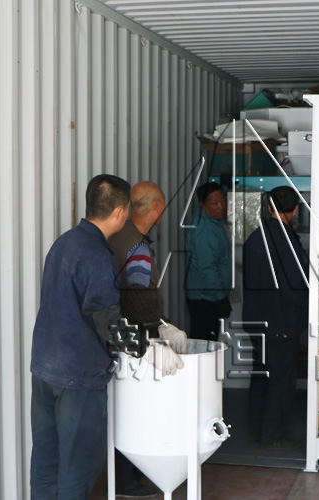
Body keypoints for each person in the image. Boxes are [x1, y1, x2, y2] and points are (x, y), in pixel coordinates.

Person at [30, 174, 183, 500]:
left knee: (46, 459)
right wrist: (148, 349)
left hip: (43, 370)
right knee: (78, 467)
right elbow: (107, 322)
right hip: (77, 376)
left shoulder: (63, 243)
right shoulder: (98, 256)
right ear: (120, 211)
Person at [107, 181, 188, 498]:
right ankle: (127, 481)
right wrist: (160, 328)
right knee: (139, 411)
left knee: (126, 409)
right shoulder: (136, 246)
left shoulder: (117, 237)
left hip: (121, 337)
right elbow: (139, 296)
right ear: (156, 207)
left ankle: (126, 477)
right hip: (138, 340)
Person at [242, 186, 308, 449]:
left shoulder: (254, 238)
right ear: (295, 210)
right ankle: (271, 436)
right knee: (280, 382)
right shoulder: (287, 243)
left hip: (256, 322)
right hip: (280, 323)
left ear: (268, 207)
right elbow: (294, 288)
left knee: (260, 376)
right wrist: (313, 299)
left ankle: (254, 430)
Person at [185, 182, 232, 341]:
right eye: (214, 203)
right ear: (202, 204)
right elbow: (208, 268)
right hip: (205, 299)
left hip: (209, 295)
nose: (221, 206)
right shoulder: (204, 230)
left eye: (223, 201)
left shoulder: (212, 221)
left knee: (208, 343)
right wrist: (221, 298)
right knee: (204, 345)